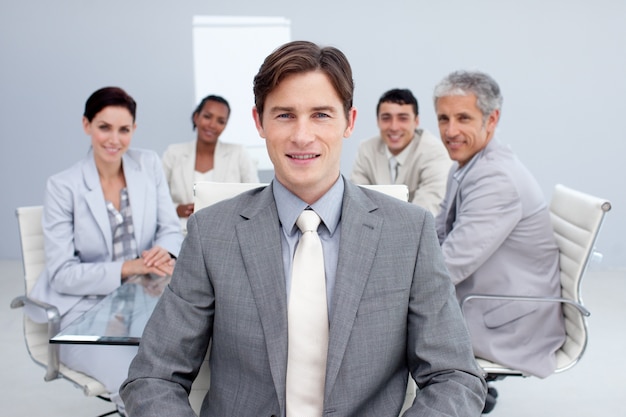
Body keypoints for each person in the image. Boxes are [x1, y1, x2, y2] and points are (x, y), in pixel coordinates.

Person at [121, 41, 486, 416]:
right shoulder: (211, 233)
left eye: (321, 115)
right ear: (259, 122)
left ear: (350, 121)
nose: (302, 135)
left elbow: (455, 377)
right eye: (284, 115)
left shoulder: (409, 232)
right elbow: (153, 377)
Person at [27, 87, 183, 416]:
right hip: (83, 315)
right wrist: (129, 267)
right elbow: (62, 274)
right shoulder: (63, 186)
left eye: (124, 129)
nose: (114, 139)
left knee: (200, 355)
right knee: (139, 379)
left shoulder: (148, 164)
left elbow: (170, 227)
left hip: (146, 300)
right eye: (104, 127)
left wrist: (163, 251)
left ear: (134, 130)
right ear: (86, 125)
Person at [433, 71, 566, 410]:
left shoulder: (496, 178)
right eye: (444, 119)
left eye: (463, 118)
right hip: (494, 298)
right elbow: (439, 233)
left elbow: (449, 265)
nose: (450, 131)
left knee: (388, 322)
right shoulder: (468, 164)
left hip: (509, 320)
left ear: (492, 119)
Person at [162, 94, 259, 226]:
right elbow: (156, 198)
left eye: (220, 121)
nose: (212, 125)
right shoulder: (173, 153)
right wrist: (177, 209)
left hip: (225, 230)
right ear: (196, 117)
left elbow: (256, 198)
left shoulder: (238, 153)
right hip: (181, 232)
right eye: (207, 116)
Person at [350, 88, 451, 214]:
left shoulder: (434, 152)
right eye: (386, 118)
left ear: (416, 121)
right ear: (378, 121)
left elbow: (427, 211)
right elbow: (357, 205)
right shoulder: (366, 149)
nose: (394, 127)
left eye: (403, 118)